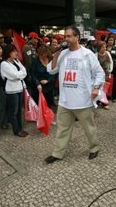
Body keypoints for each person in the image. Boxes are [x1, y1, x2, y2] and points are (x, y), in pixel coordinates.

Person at [44, 25, 105, 163]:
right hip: (65, 101)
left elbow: (99, 72)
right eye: (65, 36)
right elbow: (51, 70)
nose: (66, 39)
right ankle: (57, 153)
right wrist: (55, 56)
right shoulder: (63, 53)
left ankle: (94, 148)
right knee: (62, 129)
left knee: (89, 127)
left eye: (69, 36)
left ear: (77, 37)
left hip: (82, 100)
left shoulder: (87, 54)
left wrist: (96, 87)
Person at [1, 44, 28, 137]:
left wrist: (19, 74)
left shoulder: (16, 61)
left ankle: (20, 128)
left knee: (19, 111)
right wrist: (20, 74)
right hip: (11, 90)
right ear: (8, 53)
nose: (16, 53)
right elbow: (14, 76)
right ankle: (16, 130)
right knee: (13, 111)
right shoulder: (4, 64)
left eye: (16, 51)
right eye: (14, 51)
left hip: (19, 88)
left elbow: (25, 71)